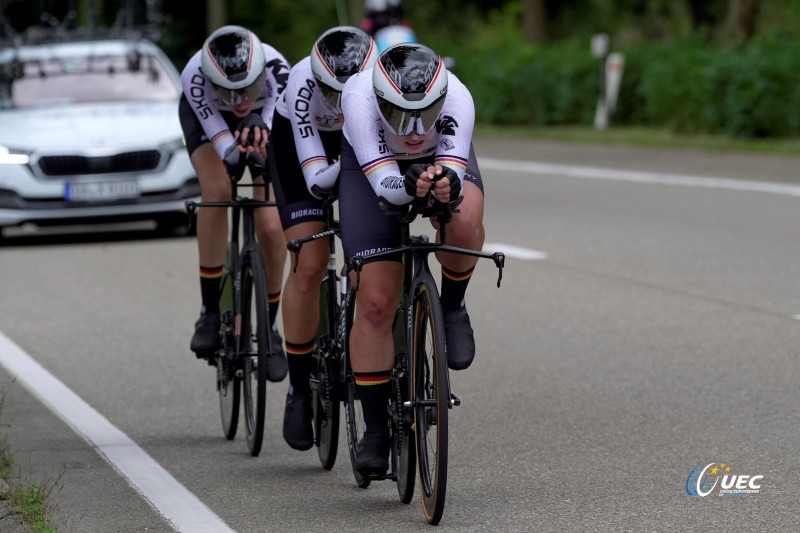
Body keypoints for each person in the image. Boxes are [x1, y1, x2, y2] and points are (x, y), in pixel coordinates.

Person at [339, 42, 486, 474]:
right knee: (376, 301)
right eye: (402, 116)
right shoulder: (358, 97)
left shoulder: (458, 96)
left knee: (461, 223)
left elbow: (453, 171)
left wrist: (447, 186)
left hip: (434, 164)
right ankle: (376, 430)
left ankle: (453, 306)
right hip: (376, 170)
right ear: (381, 100)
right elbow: (387, 188)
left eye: (426, 113)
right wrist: (412, 185)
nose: (417, 130)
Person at [268, 26, 377, 450]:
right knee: (310, 261)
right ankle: (298, 389)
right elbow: (316, 181)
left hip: (361, 138)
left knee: (367, 259)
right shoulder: (301, 83)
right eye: (331, 93)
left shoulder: (379, 83)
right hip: (304, 153)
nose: (339, 102)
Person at [179, 25, 290, 381]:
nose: (239, 99)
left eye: (247, 88)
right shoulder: (194, 75)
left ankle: (269, 328)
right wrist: (232, 151)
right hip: (210, 121)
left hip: (267, 119)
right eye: (228, 90)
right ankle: (210, 310)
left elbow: (275, 122)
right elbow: (222, 142)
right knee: (217, 192)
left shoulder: (277, 68)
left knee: (271, 227)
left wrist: (262, 147)